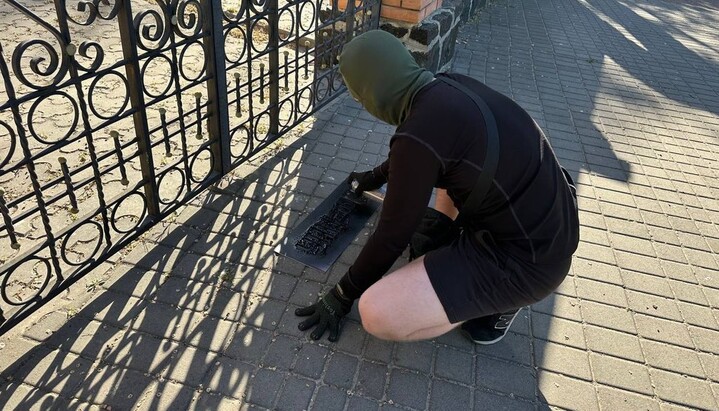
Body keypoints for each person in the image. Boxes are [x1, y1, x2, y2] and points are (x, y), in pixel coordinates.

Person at [295, 30, 579, 344]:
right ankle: (451, 253)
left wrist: (342, 294)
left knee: (376, 311)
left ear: (373, 92)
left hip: (527, 262)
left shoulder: (417, 136)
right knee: (452, 169)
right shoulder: (445, 85)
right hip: (549, 216)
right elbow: (423, 155)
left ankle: (496, 306)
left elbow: (391, 236)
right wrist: (374, 177)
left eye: (359, 97)